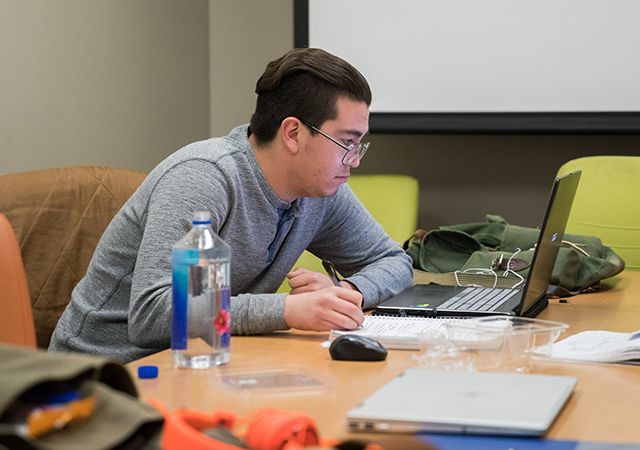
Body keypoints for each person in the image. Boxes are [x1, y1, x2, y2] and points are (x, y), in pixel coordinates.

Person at [49, 48, 413, 362]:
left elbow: (393, 262)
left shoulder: (318, 191)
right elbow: (151, 315)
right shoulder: (204, 177)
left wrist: (346, 294)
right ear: (293, 133)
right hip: (107, 375)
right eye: (347, 142)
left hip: (213, 359)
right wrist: (287, 309)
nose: (355, 160)